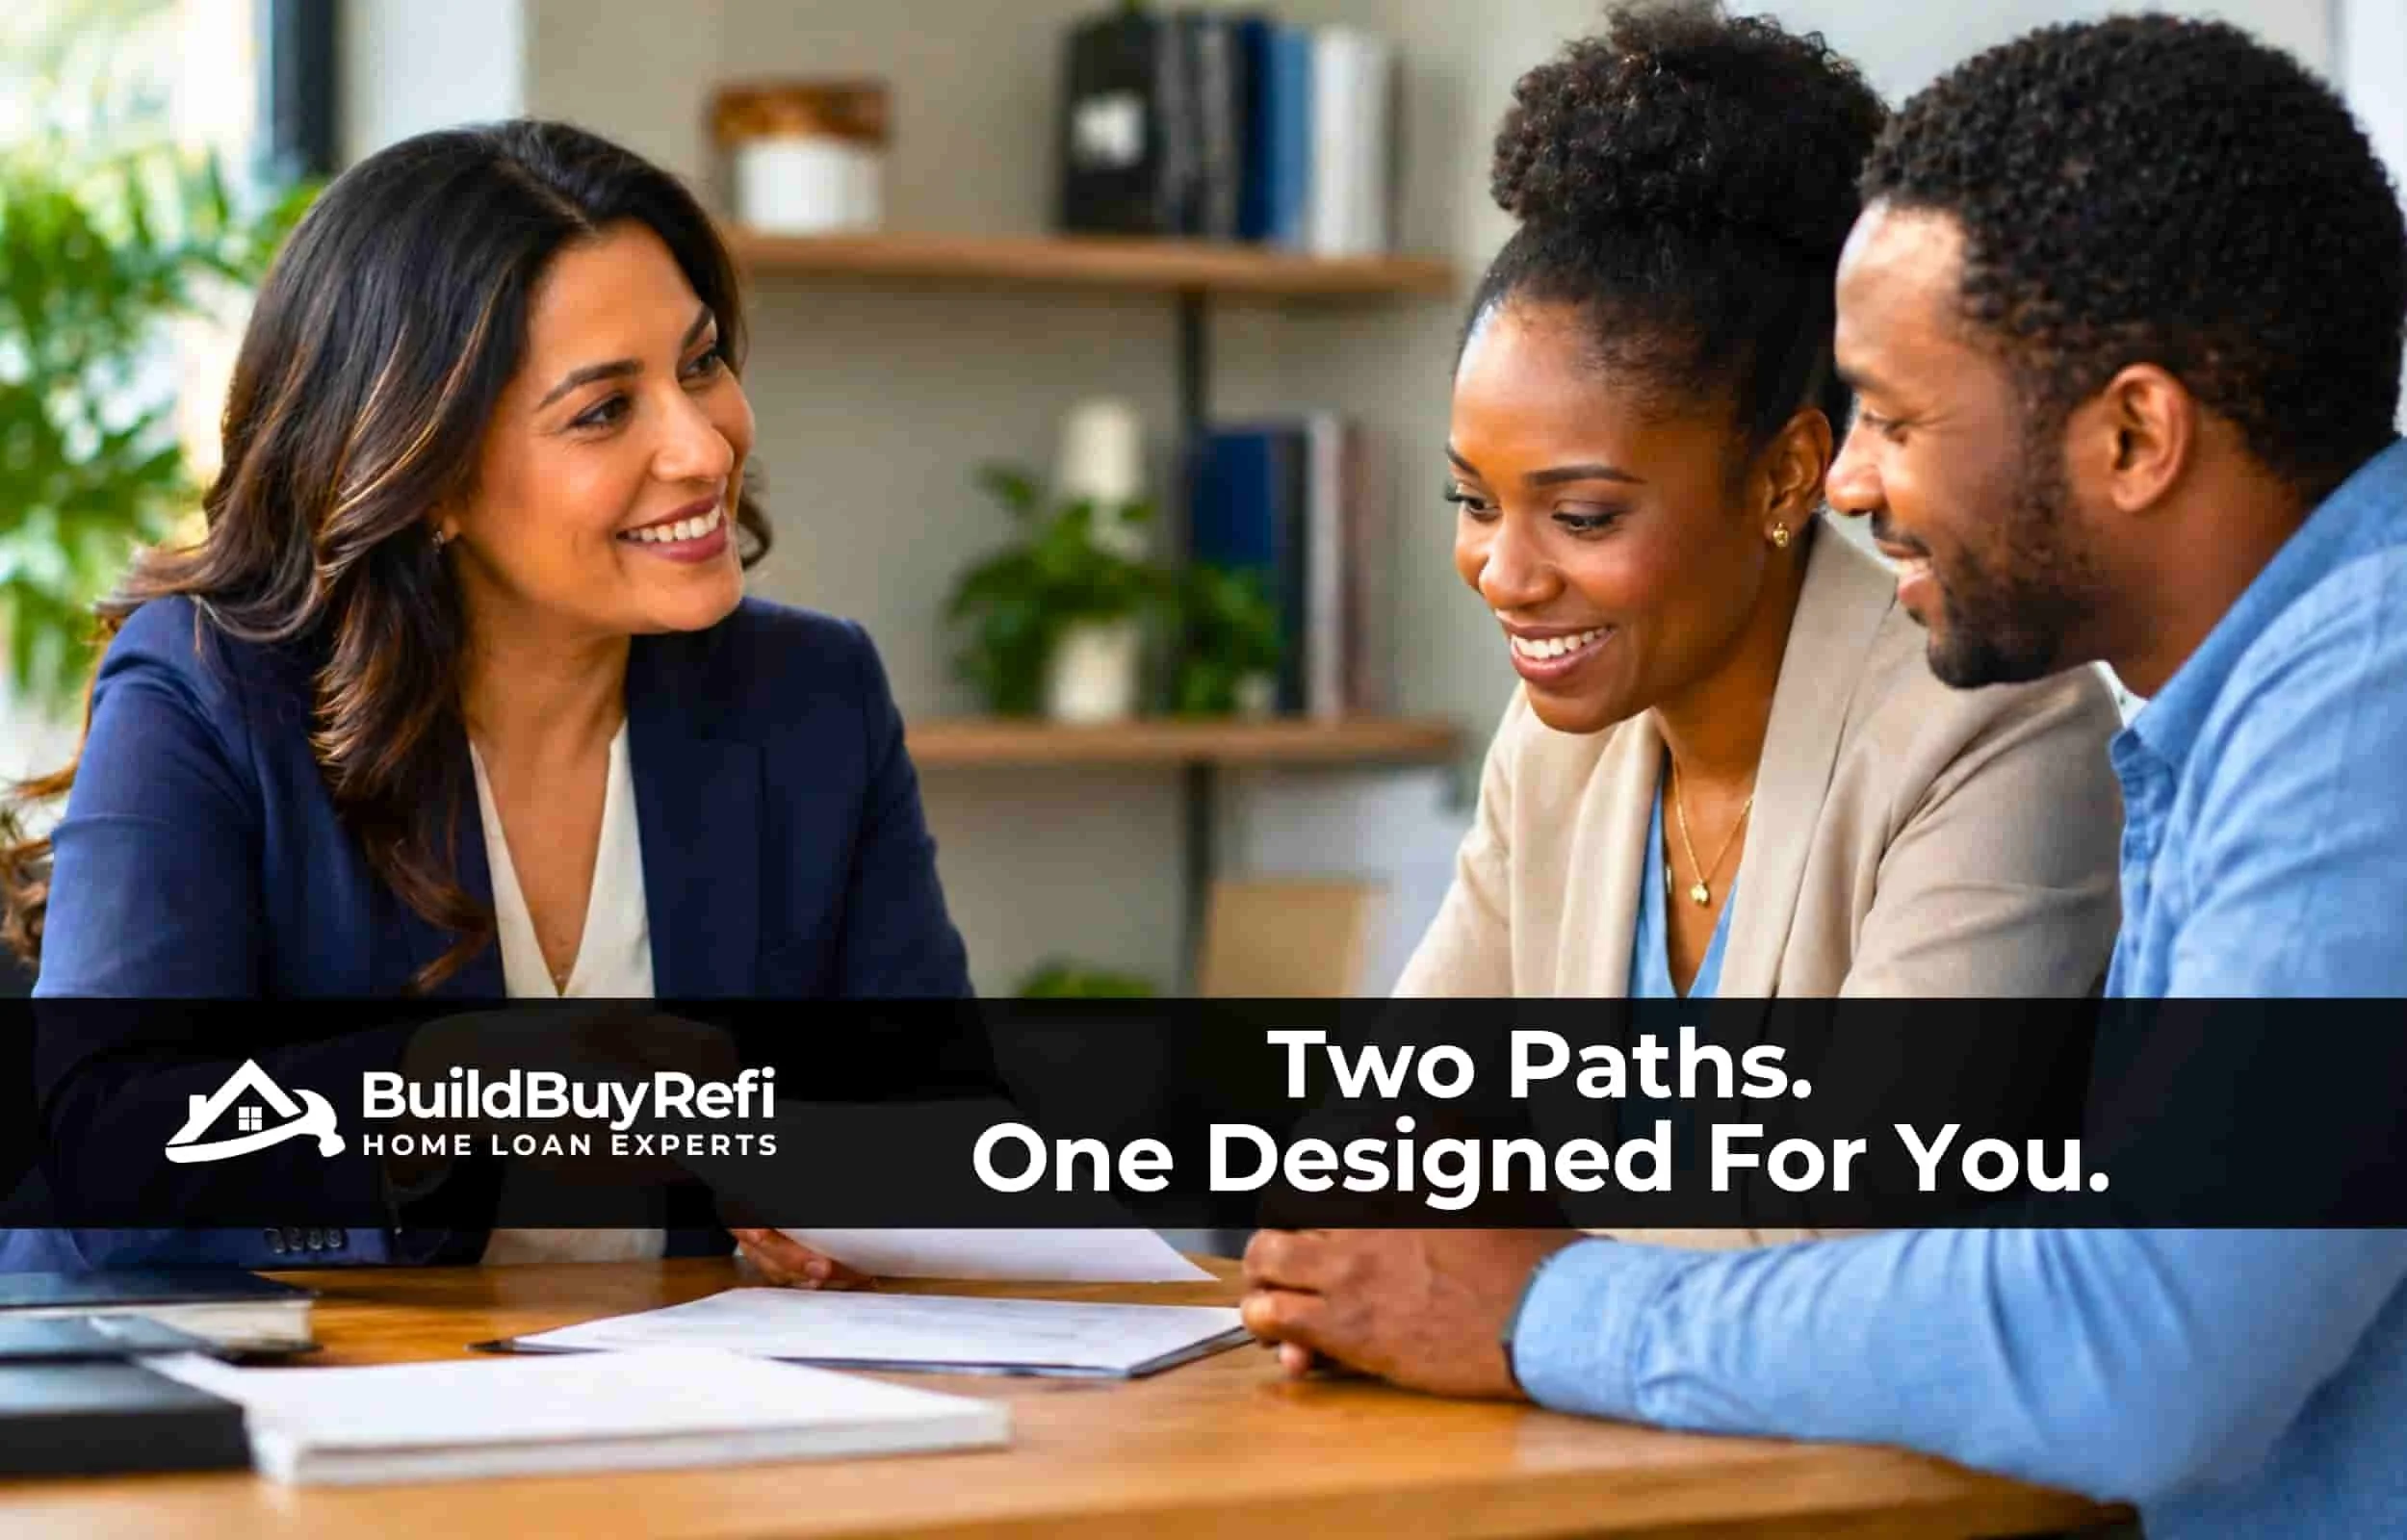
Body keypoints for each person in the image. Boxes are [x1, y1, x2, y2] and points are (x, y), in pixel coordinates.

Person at [1244, 17, 2407, 1537]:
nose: (1856, 482)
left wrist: (1540, 1308)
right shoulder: (2252, 709)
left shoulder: (2357, 716)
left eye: (1906, 421)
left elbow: (2132, 1337)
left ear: (2135, 434)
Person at [0, 120, 971, 1280]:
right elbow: (86, 1170)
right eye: (604, 411)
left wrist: (882, 1214)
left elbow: (941, 1124)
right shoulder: (211, 692)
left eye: (700, 364)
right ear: (428, 478)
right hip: (348, 1426)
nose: (704, 448)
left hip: (727, 1422)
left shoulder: (811, 697)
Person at [1395, 8, 2122, 1005]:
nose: (1504, 574)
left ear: (1784, 478)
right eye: (1472, 500)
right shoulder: (1555, 747)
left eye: (1584, 517)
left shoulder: (1996, 731)